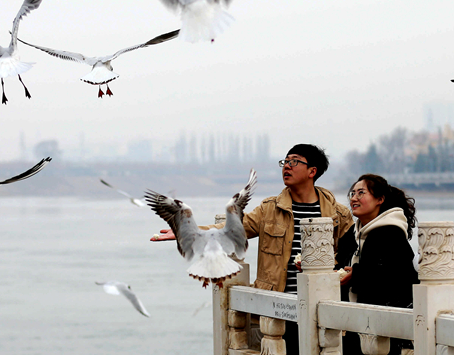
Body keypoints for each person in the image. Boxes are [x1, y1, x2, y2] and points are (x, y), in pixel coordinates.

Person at [151, 144, 354, 353]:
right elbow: (230, 229)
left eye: (294, 162)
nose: (287, 167)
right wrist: (191, 232)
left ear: (312, 171)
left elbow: (352, 252)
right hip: (280, 310)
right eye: (285, 162)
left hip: (320, 307)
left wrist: (348, 271)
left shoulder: (338, 213)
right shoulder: (269, 209)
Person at [340, 174, 419, 355]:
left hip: (386, 326)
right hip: (356, 321)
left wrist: (357, 275)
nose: (354, 198)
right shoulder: (353, 233)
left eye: (361, 193)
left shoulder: (391, 233)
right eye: (352, 193)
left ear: (380, 199)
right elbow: (342, 262)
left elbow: (395, 276)